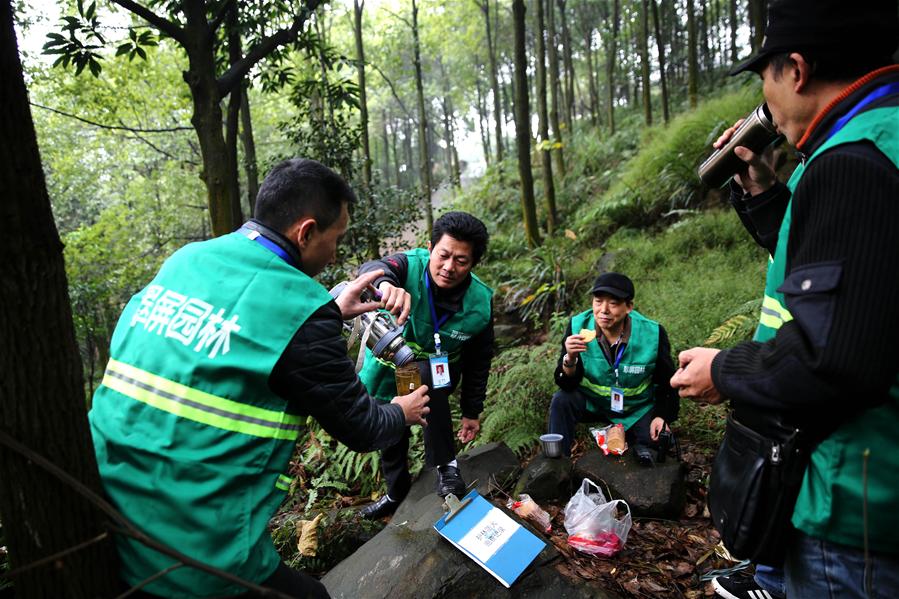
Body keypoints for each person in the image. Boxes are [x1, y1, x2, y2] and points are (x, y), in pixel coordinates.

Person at [89, 158, 431, 599]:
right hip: (189, 549)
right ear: (305, 232)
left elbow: (239, 322)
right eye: (336, 239)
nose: (335, 254)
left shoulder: (188, 260)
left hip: (106, 507)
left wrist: (326, 309)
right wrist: (402, 411)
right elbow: (362, 427)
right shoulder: (300, 311)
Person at [670, 1, 899, 598]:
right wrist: (763, 189)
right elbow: (852, 278)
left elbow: (832, 355)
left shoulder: (850, 162)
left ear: (794, 70)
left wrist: (725, 368)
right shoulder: (878, 139)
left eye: (763, 76)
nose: (765, 99)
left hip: (855, 506)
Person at [356, 211, 494, 519]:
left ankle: (447, 467)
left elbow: (479, 359)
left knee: (426, 377)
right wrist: (385, 283)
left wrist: (472, 410)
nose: (449, 267)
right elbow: (375, 269)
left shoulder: (479, 302)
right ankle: (396, 491)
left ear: (472, 263)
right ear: (429, 248)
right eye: (443, 255)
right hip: (388, 370)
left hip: (438, 372)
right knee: (392, 427)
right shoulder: (409, 266)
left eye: (461, 260)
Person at [549, 272, 679, 464]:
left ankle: (631, 438)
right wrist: (570, 358)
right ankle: (557, 464)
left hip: (636, 408)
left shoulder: (652, 333)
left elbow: (668, 383)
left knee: (660, 441)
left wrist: (661, 416)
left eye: (613, 303)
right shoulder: (578, 326)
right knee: (562, 400)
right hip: (595, 404)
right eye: (598, 301)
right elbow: (566, 384)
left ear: (629, 307)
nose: (604, 310)